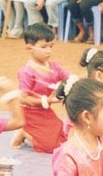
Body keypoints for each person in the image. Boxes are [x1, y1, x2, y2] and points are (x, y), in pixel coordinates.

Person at [12, 23, 70, 153]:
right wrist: (48, 100)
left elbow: (69, 79)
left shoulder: (54, 66)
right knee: (50, 147)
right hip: (29, 113)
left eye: (51, 46)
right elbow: (24, 99)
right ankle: (23, 131)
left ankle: (30, 132)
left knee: (64, 139)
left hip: (44, 111)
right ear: (29, 48)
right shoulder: (26, 72)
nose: (48, 50)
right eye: (43, 47)